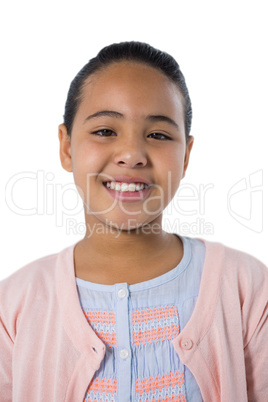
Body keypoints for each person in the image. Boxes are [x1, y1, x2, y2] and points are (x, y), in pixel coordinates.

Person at [0, 42, 267, 402]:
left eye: (158, 135)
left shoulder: (247, 288)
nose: (131, 155)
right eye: (105, 131)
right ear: (66, 148)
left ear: (185, 156)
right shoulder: (14, 305)